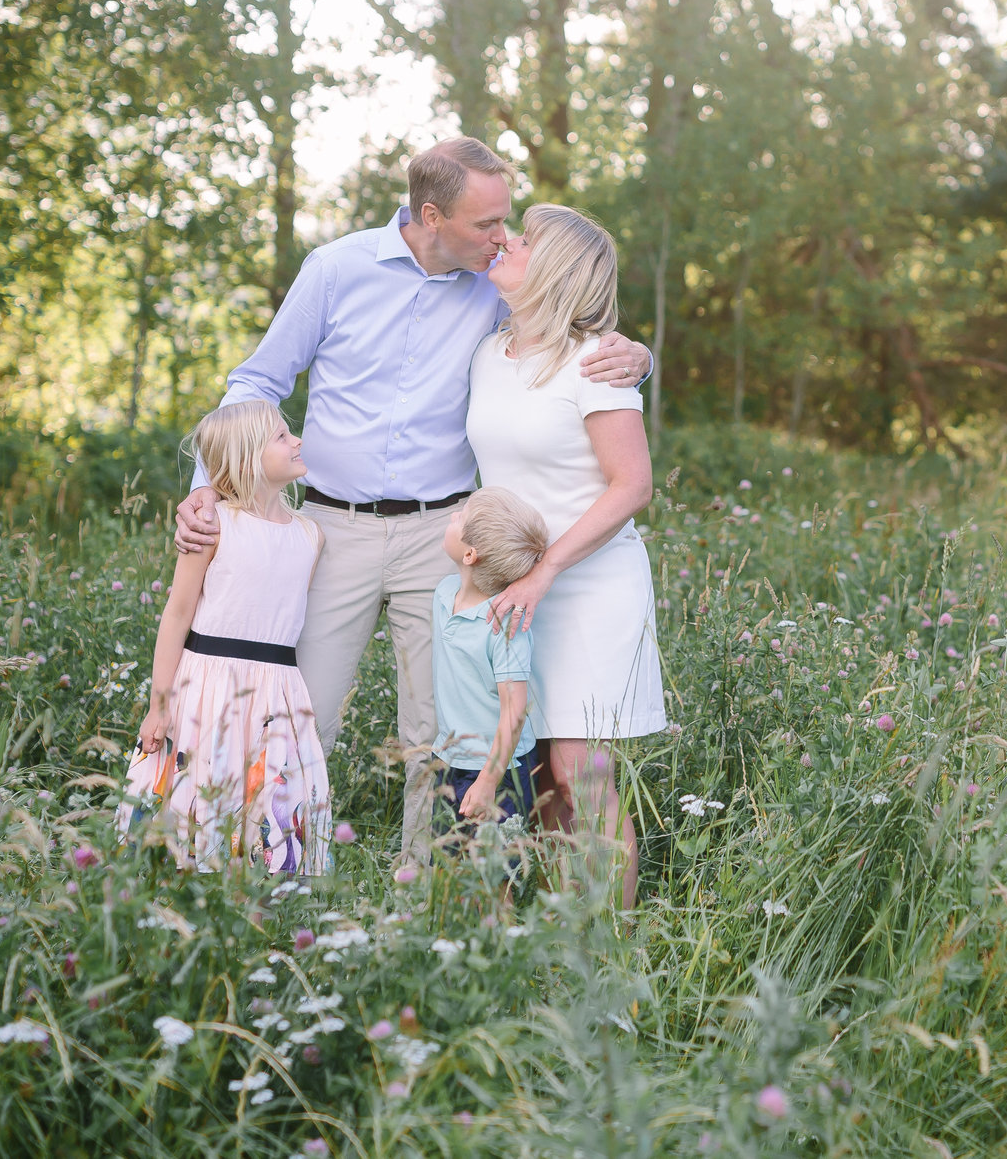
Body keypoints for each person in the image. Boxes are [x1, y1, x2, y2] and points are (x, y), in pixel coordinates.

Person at [171, 137, 650, 859]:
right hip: (333, 525)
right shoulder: (336, 270)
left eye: (505, 222)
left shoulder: (494, 291)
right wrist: (208, 489)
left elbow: (572, 332)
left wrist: (640, 359)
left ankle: (430, 893)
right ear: (432, 214)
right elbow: (258, 381)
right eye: (487, 223)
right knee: (304, 711)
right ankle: (267, 871)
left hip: (447, 535)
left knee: (447, 726)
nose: (501, 236)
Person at [467, 204, 663, 905]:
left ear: (554, 268)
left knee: (582, 768)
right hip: (515, 588)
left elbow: (632, 484)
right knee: (542, 773)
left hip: (588, 585)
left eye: (524, 238)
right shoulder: (489, 353)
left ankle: (611, 947)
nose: (506, 241)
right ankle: (564, 931)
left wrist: (548, 567)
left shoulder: (597, 360)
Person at [121, 401, 330, 874]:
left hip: (277, 693)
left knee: (267, 805)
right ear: (247, 456)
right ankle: (183, 903)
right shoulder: (214, 527)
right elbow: (176, 616)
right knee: (196, 799)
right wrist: (159, 704)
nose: (296, 441)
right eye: (281, 437)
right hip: (206, 689)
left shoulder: (310, 536)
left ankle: (262, 911)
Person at [428, 486, 550, 857]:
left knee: (496, 876)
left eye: (460, 517)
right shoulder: (444, 593)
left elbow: (514, 713)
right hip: (452, 760)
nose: (452, 516)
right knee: (449, 867)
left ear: (469, 553)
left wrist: (488, 780)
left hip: (500, 769)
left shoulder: (503, 627)